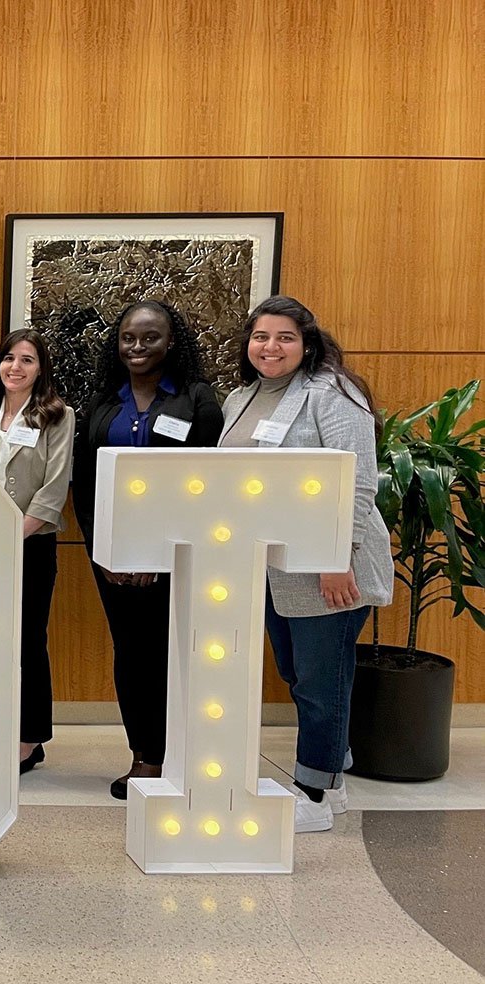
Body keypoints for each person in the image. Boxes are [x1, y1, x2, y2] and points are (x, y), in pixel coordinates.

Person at [220, 295, 391, 832]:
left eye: (285, 338)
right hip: (270, 566)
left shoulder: (332, 393)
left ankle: (315, 795)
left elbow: (358, 480)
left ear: (307, 343)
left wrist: (338, 556)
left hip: (327, 564)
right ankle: (333, 776)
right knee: (300, 675)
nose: (271, 348)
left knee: (322, 681)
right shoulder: (240, 398)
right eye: (261, 337)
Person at [71, 300, 224, 799]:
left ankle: (186, 754)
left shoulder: (197, 400)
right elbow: (86, 484)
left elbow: (205, 484)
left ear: (171, 342)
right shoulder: (101, 404)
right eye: (128, 338)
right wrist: (105, 551)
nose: (137, 347)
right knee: (132, 653)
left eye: (150, 337)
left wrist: (160, 554)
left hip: (178, 557)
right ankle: (145, 756)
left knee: (178, 652)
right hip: (113, 559)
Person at [0, 328, 74, 774]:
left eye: (27, 360)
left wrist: (11, 536)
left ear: (41, 368)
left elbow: (52, 492)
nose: (16, 367)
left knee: (28, 639)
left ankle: (30, 739)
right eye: (9, 358)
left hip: (30, 546)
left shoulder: (57, 416)